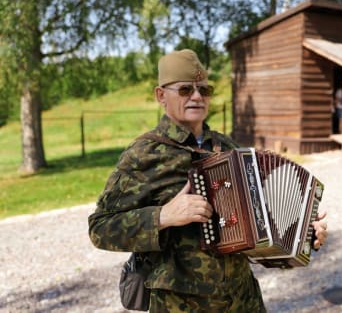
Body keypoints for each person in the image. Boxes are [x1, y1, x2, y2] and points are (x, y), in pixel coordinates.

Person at [88, 49, 328, 313]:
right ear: (161, 96)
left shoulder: (228, 148)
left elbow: (263, 223)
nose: (196, 96)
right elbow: (100, 228)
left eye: (204, 89)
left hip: (242, 299)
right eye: (185, 90)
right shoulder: (144, 154)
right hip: (182, 305)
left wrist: (304, 231)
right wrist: (163, 216)